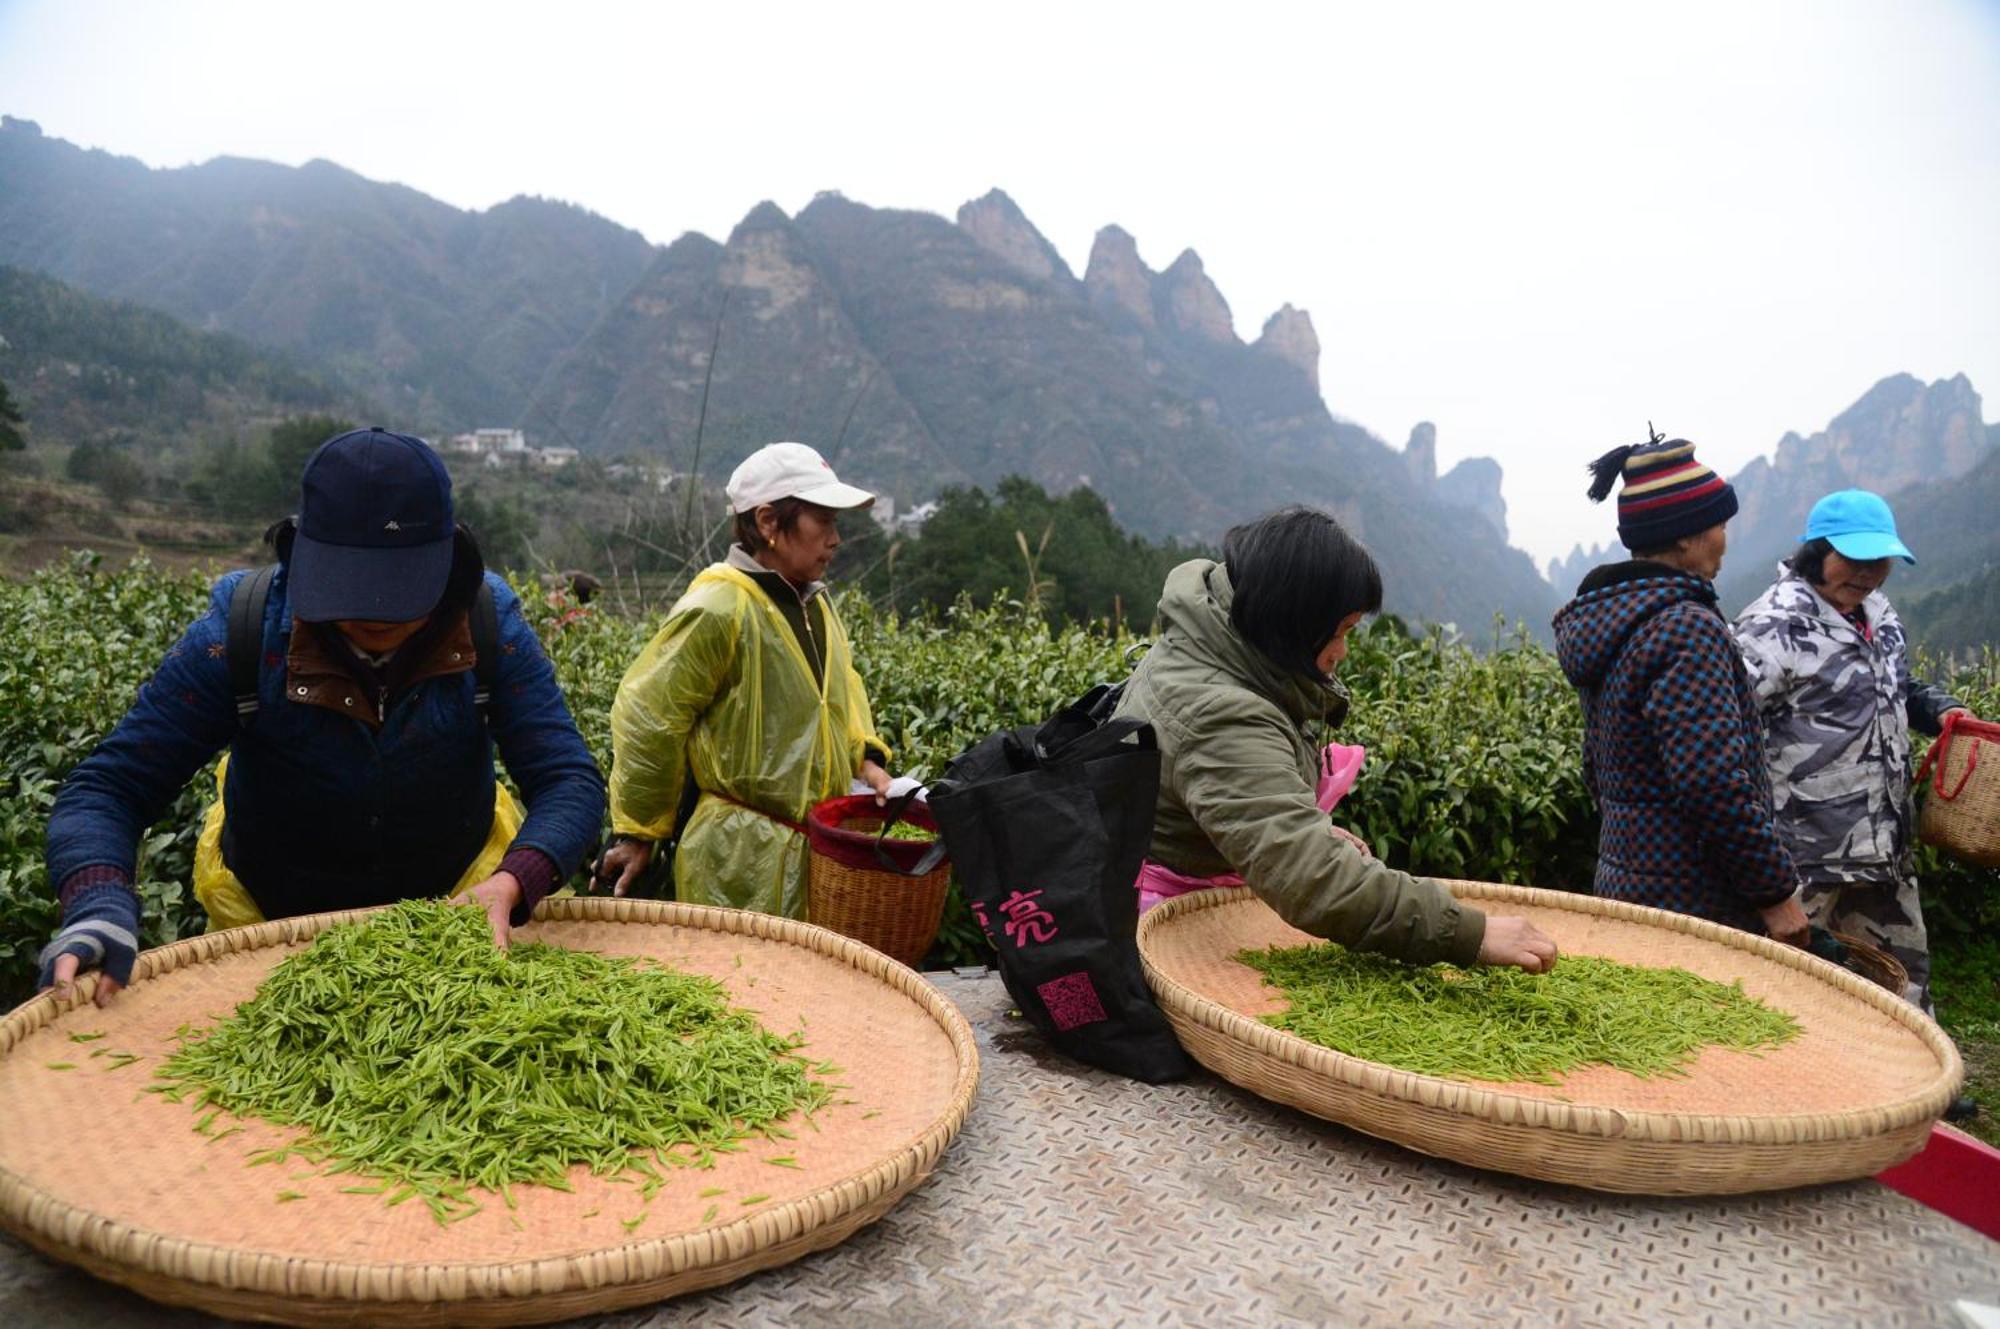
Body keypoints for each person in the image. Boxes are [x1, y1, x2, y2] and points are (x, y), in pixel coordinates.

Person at [38, 428, 607, 1005]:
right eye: (350, 587)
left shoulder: (490, 625)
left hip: (459, 906)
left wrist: (514, 881)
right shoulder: (244, 633)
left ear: (449, 561)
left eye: (400, 590)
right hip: (272, 914)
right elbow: (108, 788)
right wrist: (99, 901)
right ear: (302, 555)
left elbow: (567, 779)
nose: (373, 613)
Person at [1113, 506, 1558, 972]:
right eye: (1340, 631)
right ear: (1292, 620)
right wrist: (1470, 933)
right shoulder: (1220, 711)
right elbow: (1309, 878)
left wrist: (1298, 824)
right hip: (1162, 927)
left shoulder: (1211, 634)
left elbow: (1237, 805)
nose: (1342, 652)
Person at [598, 442, 894, 916]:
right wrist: (640, 831)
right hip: (736, 855)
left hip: (815, 849)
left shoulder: (816, 604)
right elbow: (650, 716)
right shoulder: (718, 608)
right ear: (768, 522)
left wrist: (867, 761)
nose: (835, 539)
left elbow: (841, 692)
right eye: (824, 521)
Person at [1552, 430, 1809, 945]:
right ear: (1687, 536)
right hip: (1694, 903)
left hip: (1625, 883)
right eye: (1719, 525)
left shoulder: (1614, 622)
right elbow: (1711, 782)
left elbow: (1596, 770)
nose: (1724, 539)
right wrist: (1776, 897)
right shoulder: (1684, 627)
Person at [1735, 490, 1973, 1009]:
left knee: (1900, 986)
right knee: (1786, 992)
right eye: (1853, 559)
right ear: (1815, 552)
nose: (1867, 573)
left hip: (1883, 846)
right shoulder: (1773, 625)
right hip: (1805, 856)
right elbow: (1728, 726)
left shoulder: (1879, 615)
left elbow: (1896, 686)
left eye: (1879, 560)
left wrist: (1941, 711)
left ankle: (1926, 1089)